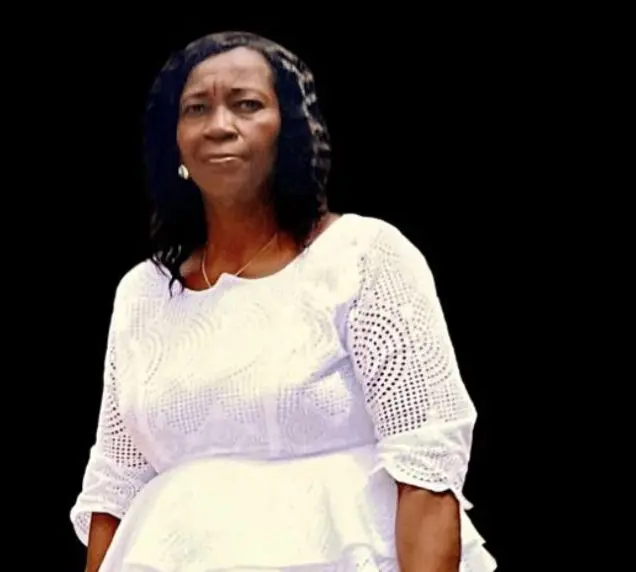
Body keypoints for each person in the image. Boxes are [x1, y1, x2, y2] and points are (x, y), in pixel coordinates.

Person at [69, 31, 496, 572]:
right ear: (175, 142)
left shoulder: (362, 256)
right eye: (196, 108)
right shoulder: (143, 293)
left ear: (287, 130)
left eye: (246, 104)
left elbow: (426, 460)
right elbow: (116, 485)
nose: (219, 125)